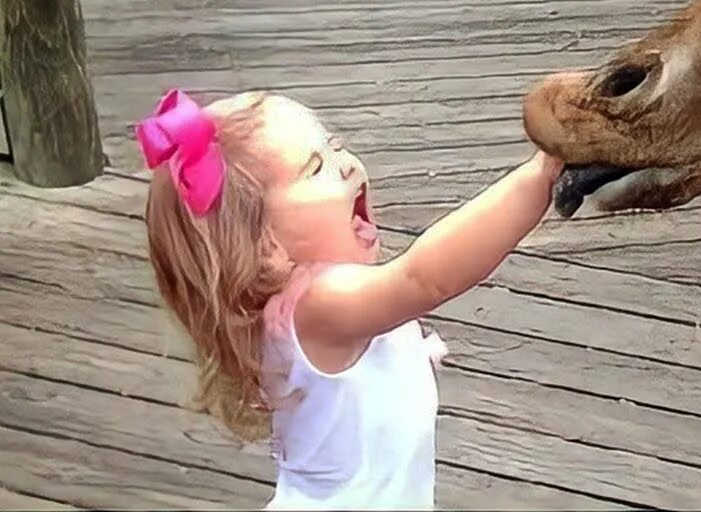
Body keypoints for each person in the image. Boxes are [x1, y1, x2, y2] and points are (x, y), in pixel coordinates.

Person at [138, 89, 562, 509]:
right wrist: (538, 176)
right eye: (316, 167)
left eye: (335, 145)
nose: (347, 165)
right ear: (266, 245)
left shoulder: (299, 308)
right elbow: (425, 278)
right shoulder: (315, 307)